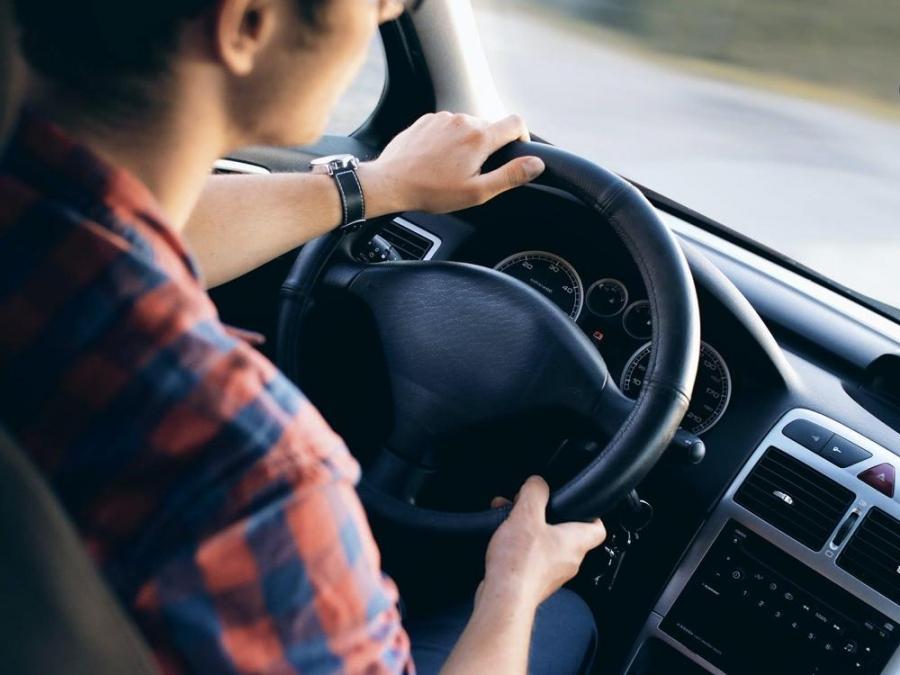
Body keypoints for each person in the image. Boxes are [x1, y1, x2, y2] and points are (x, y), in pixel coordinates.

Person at [0, 0, 608, 672]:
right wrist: (512, 586)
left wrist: (376, 185)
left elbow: (128, 229)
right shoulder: (248, 470)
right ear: (246, 23)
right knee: (561, 617)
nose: (386, 11)